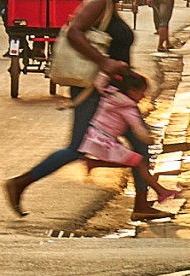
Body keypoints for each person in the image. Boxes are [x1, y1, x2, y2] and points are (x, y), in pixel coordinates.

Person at [2, 0, 146, 217]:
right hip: (94, 89)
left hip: (113, 93)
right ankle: (20, 182)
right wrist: (104, 62)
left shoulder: (109, 6)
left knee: (138, 142)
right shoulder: (98, 3)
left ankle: (143, 205)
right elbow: (74, 32)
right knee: (79, 147)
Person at [78, 71, 182, 212]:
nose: (143, 96)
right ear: (132, 91)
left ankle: (95, 163)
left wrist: (113, 71)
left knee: (133, 162)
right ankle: (160, 191)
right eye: (141, 92)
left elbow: (100, 79)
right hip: (106, 142)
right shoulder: (128, 107)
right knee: (139, 162)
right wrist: (150, 139)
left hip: (94, 136)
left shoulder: (110, 92)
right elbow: (139, 131)